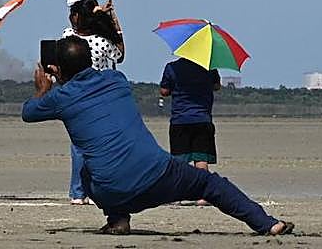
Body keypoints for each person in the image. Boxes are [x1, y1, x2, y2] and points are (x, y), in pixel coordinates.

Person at [22, 36, 294, 236]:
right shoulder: (117, 80)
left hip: (111, 191)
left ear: (57, 69)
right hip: (157, 175)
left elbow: (28, 112)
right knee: (210, 184)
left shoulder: (59, 97)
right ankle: (268, 224)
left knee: (87, 172)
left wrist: (43, 89)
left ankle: (117, 219)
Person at [61, 0, 125, 204]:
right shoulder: (103, 42)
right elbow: (120, 55)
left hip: (74, 96)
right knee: (99, 146)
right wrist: (112, 20)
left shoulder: (68, 37)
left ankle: (78, 192)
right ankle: (94, 189)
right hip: (99, 97)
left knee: (78, 146)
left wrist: (96, 13)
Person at [160, 57, 222, 181]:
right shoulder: (209, 67)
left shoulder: (172, 67)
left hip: (180, 120)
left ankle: (180, 193)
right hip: (202, 119)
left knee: (180, 160)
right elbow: (217, 86)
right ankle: (201, 195)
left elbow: (164, 91)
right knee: (201, 158)